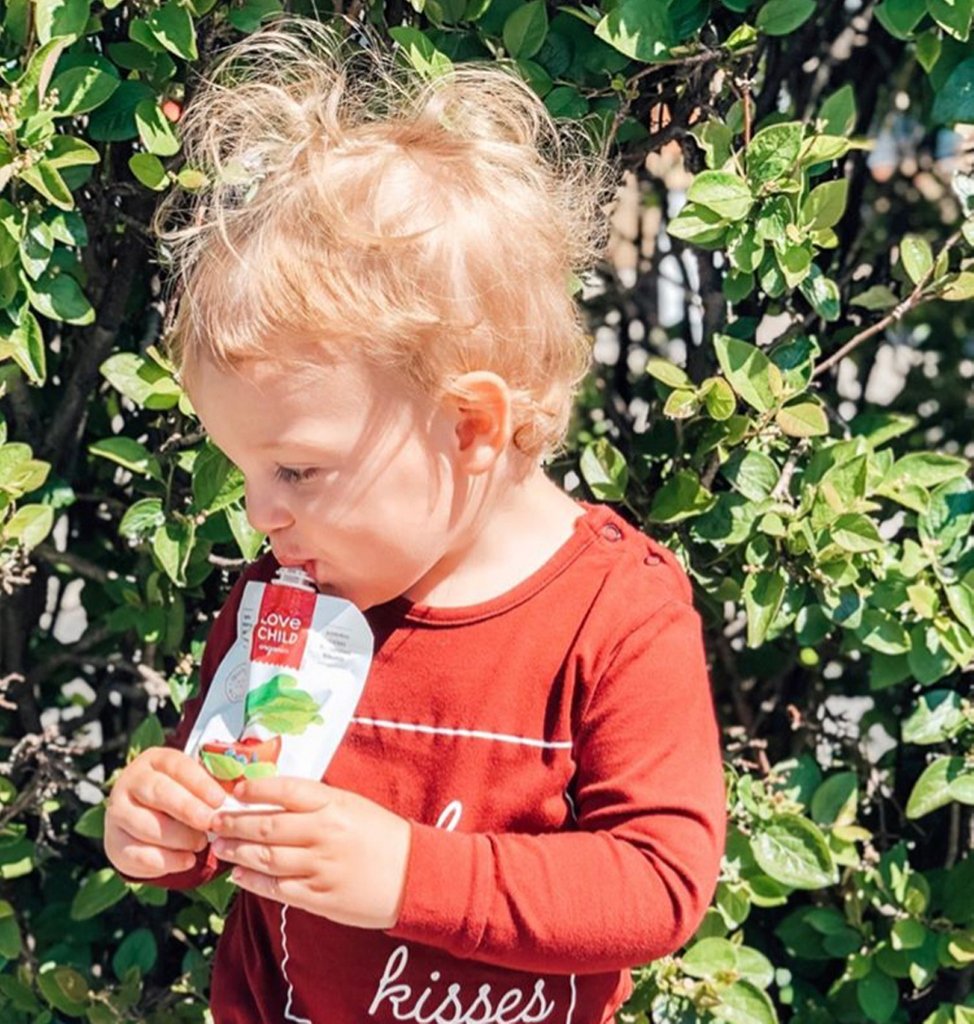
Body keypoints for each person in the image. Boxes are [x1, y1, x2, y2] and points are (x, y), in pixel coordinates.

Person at [103, 15, 726, 1023]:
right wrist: (166, 828)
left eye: (298, 467)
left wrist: (407, 873)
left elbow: (655, 883)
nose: (260, 512)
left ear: (468, 425)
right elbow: (219, 802)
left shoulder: (613, 613)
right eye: (244, 468)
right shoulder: (286, 600)